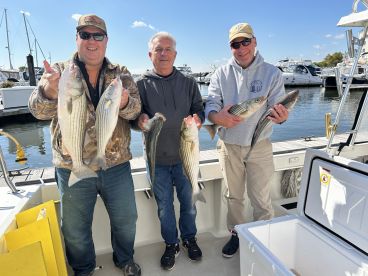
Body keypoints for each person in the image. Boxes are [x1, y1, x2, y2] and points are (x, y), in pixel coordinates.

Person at [28, 14, 142, 276]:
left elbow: (136, 110)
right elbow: (36, 111)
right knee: (75, 229)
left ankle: (125, 260)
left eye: (97, 35)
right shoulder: (58, 71)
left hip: (115, 165)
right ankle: (84, 270)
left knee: (126, 221)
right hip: (71, 165)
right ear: (76, 38)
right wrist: (48, 92)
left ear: (106, 40)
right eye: (85, 35)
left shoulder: (121, 73)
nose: (92, 41)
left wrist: (124, 103)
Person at [205, 22, 289, 258]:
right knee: (233, 196)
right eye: (235, 44)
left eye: (245, 42)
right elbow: (211, 102)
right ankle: (237, 233)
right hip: (229, 145)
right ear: (230, 47)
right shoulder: (220, 74)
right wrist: (216, 117)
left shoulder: (272, 73)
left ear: (254, 42)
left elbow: (278, 109)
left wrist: (282, 118)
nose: (241, 48)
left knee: (261, 197)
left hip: (259, 145)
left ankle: (264, 236)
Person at [135, 32, 204, 271]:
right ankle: (171, 244)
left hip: (186, 158)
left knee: (189, 204)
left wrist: (198, 118)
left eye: (168, 49)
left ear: (175, 54)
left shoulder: (189, 83)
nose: (163, 54)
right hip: (157, 161)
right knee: (164, 207)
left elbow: (199, 109)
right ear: (150, 54)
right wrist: (140, 120)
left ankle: (189, 238)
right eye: (158, 49)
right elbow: (135, 118)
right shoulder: (141, 84)